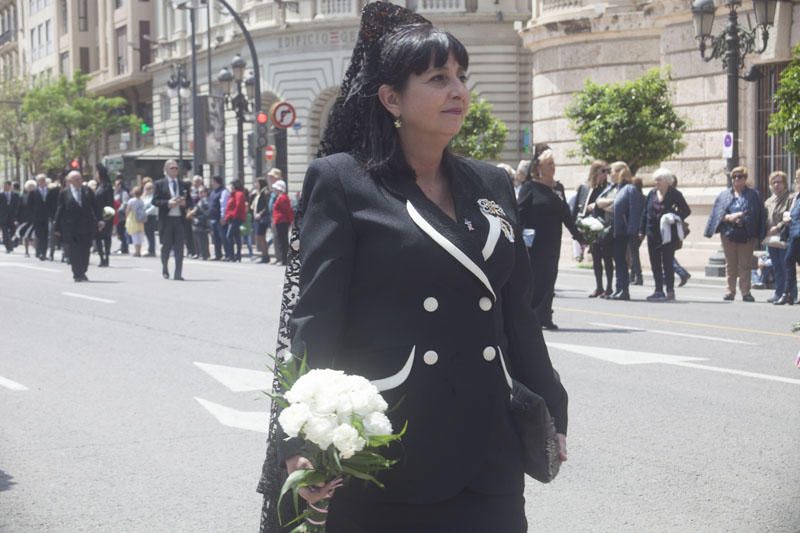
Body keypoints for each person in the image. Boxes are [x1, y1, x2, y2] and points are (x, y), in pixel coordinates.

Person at [258, 6, 568, 532]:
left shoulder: (491, 184)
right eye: (438, 78)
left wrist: (553, 411)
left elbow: (517, 317)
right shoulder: (342, 182)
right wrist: (303, 441)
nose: (459, 91)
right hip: (387, 452)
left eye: (461, 78)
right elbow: (315, 320)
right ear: (391, 98)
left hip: (488, 450)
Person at [517, 145, 584, 330]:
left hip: (552, 241)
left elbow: (566, 215)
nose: (553, 167)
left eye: (553, 164)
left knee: (549, 278)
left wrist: (578, 236)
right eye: (549, 164)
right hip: (533, 241)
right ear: (539, 167)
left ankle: (545, 315)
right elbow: (520, 212)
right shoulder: (529, 187)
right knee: (535, 279)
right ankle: (530, 315)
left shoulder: (558, 188)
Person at [704, 166, 765, 302]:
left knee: (745, 264)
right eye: (734, 177)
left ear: (745, 179)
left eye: (740, 177)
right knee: (730, 265)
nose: (737, 179)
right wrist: (729, 217)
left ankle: (745, 292)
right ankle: (730, 291)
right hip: (729, 233)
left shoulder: (753, 195)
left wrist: (759, 233)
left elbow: (760, 214)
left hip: (746, 233)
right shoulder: (724, 195)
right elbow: (717, 214)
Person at [639, 168, 691, 301]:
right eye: (655, 180)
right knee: (654, 262)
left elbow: (686, 210)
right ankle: (658, 290)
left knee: (667, 262)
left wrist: (674, 216)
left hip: (668, 234)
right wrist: (641, 231)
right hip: (652, 233)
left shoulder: (675, 194)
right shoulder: (651, 193)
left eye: (659, 180)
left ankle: (670, 290)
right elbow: (645, 212)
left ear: (667, 182)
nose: (656, 183)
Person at [601, 161, 641, 301]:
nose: (609, 174)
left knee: (622, 260)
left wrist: (632, 231)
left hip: (624, 232)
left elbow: (635, 211)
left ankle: (624, 290)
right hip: (615, 231)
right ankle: (618, 288)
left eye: (611, 171)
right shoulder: (616, 189)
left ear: (619, 172)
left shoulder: (630, 189)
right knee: (617, 260)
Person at [54, 171, 102, 282]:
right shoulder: (64, 193)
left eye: (80, 179)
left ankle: (83, 270)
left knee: (85, 250)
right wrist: (57, 227)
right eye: (76, 179)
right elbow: (60, 211)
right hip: (71, 228)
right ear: (70, 181)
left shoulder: (87, 191)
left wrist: (100, 220)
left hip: (86, 226)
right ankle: (77, 273)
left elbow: (95, 207)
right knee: (74, 251)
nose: (79, 181)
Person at [580, 161, 614, 298]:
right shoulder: (586, 188)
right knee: (596, 258)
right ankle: (599, 286)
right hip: (590, 226)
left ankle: (609, 287)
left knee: (607, 258)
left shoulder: (608, 188)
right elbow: (580, 205)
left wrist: (597, 206)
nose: (606, 175)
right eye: (603, 171)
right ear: (595, 172)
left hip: (604, 226)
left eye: (607, 171)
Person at [153, 159, 190, 280]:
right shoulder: (159, 184)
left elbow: (189, 200)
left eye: (176, 168)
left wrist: (185, 203)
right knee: (166, 247)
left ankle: (178, 273)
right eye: (172, 168)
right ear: (166, 170)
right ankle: (165, 267)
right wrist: (167, 203)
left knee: (179, 247)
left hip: (179, 219)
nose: (175, 170)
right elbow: (155, 201)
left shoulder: (183, 184)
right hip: (167, 219)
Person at [762, 171, 793, 304]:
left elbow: (789, 216)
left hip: (784, 237)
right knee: (776, 267)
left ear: (785, 183)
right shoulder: (768, 201)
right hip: (771, 239)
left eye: (779, 182)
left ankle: (788, 293)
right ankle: (778, 292)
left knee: (785, 266)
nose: (776, 185)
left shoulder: (790, 198)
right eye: (774, 182)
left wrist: (778, 227)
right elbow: (764, 218)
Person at [775, 169, 800, 305]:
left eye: (798, 179)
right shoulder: (796, 197)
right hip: (793, 234)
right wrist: (788, 217)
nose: (796, 182)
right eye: (796, 179)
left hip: (797, 235)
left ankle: (787, 293)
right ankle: (788, 293)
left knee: (788, 260)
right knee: (789, 262)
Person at [29, 174, 54, 260]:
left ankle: (43, 252)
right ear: (38, 182)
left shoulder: (50, 191)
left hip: (47, 216)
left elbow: (52, 204)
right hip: (37, 217)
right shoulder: (33, 192)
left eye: (43, 180)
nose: (42, 182)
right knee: (39, 235)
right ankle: (39, 252)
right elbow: (30, 206)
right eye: (40, 180)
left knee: (46, 235)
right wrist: (32, 216)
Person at [94, 164, 115, 267]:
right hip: (97, 216)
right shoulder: (99, 186)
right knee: (97, 238)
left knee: (106, 237)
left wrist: (106, 219)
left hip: (106, 215)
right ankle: (101, 257)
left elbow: (110, 203)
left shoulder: (107, 187)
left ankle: (106, 257)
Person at [271, 179, 293, 266]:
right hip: (279, 221)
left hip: (282, 221)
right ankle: (284, 259)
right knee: (281, 240)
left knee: (283, 241)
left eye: (275, 188)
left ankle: (284, 260)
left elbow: (287, 210)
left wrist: (290, 221)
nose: (274, 190)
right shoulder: (280, 197)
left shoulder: (283, 197)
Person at [223, 180, 247, 262]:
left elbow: (238, 206)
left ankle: (232, 255)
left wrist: (232, 216)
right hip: (232, 218)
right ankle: (237, 256)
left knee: (229, 236)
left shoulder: (239, 194)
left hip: (236, 218)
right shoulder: (233, 194)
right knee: (236, 237)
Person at [628, 177, 645, 285]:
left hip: (633, 229)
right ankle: (633, 275)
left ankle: (638, 276)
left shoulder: (632, 198)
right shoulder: (644, 198)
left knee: (634, 253)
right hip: (640, 229)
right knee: (634, 253)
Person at [15, 180, 37, 257]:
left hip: (35, 218)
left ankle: (37, 250)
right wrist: (17, 219)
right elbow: (19, 208)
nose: (31, 188)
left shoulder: (38, 195)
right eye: (29, 187)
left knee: (35, 235)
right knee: (26, 235)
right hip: (24, 219)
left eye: (33, 187)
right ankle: (26, 251)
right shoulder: (23, 196)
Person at [252, 177, 271, 263]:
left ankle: (265, 256)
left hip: (262, 218)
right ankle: (264, 255)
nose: (255, 185)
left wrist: (260, 214)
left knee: (261, 237)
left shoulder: (265, 192)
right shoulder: (258, 192)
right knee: (259, 237)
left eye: (257, 183)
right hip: (257, 218)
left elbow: (266, 206)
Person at [189, 186, 210, 260]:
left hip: (203, 221)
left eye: (202, 192)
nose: (200, 194)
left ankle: (204, 254)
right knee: (196, 238)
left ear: (206, 193)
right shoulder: (199, 201)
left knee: (203, 238)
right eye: (199, 193)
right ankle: (198, 253)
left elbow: (207, 212)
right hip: (197, 221)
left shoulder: (207, 201)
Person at [125, 186, 146, 257]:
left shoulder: (131, 201)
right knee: (140, 235)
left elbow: (128, 210)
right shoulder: (141, 200)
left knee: (135, 236)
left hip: (133, 218)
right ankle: (139, 251)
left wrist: (126, 216)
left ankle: (136, 252)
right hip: (140, 219)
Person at [207, 176, 225, 260]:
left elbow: (223, 205)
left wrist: (222, 216)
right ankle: (218, 254)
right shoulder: (213, 192)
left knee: (222, 236)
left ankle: (227, 254)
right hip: (212, 217)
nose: (212, 183)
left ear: (217, 182)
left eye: (213, 181)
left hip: (219, 218)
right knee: (215, 238)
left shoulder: (222, 191)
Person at [1, 180, 20, 252]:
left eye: (6, 185)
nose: (4, 187)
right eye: (4, 185)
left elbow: (17, 206)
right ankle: (8, 247)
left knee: (13, 231)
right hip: (3, 217)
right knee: (5, 232)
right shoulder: (1, 195)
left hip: (13, 217)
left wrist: (17, 216)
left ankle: (9, 243)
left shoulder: (15, 195)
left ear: (10, 186)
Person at [113, 178, 130, 255]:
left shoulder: (124, 193)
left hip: (122, 216)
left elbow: (125, 203)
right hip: (115, 216)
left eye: (117, 185)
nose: (115, 186)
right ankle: (122, 247)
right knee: (118, 233)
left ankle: (125, 248)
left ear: (120, 185)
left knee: (121, 232)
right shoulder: (115, 193)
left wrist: (119, 210)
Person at [141, 179, 158, 257]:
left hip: (151, 216)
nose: (147, 190)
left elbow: (154, 207)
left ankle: (152, 250)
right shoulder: (144, 197)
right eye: (146, 188)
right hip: (145, 217)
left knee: (151, 234)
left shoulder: (153, 197)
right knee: (147, 233)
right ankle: (149, 248)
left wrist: (145, 213)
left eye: (149, 188)